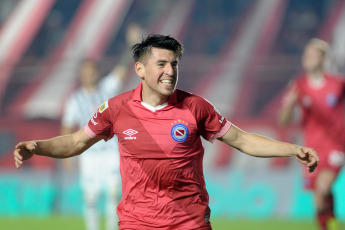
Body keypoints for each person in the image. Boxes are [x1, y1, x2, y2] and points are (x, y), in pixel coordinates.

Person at [14, 34, 319, 230]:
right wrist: (36, 146)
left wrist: (292, 149)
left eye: (174, 64)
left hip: (189, 221)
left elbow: (242, 140)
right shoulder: (116, 109)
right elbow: (76, 141)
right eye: (161, 64)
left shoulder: (196, 107)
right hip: (137, 223)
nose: (170, 71)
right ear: (140, 69)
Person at [279, 38, 345, 230]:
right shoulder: (298, 86)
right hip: (311, 148)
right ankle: (331, 223)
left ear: (323, 58)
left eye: (313, 54)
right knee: (318, 200)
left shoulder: (338, 84)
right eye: (306, 54)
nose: (308, 57)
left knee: (324, 186)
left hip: (336, 146)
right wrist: (289, 107)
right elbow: (282, 121)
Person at [61, 60, 123, 230]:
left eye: (92, 71)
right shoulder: (75, 99)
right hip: (89, 154)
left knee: (113, 193)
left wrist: (132, 45)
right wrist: (67, 154)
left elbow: (122, 69)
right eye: (86, 72)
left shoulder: (107, 89)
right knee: (91, 197)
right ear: (81, 75)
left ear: (97, 73)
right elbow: (67, 126)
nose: (89, 75)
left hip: (110, 150)